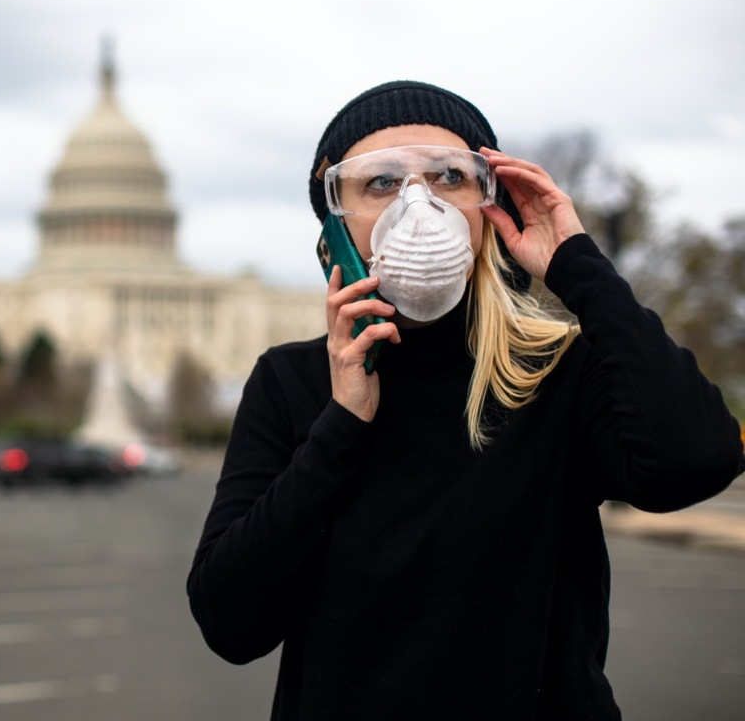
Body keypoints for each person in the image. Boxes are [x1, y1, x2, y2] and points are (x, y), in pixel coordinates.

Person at [186, 81, 744, 720]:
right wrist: (340, 424)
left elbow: (697, 460)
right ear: (335, 224)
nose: (417, 204)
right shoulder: (292, 384)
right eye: (380, 182)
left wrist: (577, 266)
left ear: (488, 204)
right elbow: (230, 624)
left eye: (449, 176)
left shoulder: (551, 369)